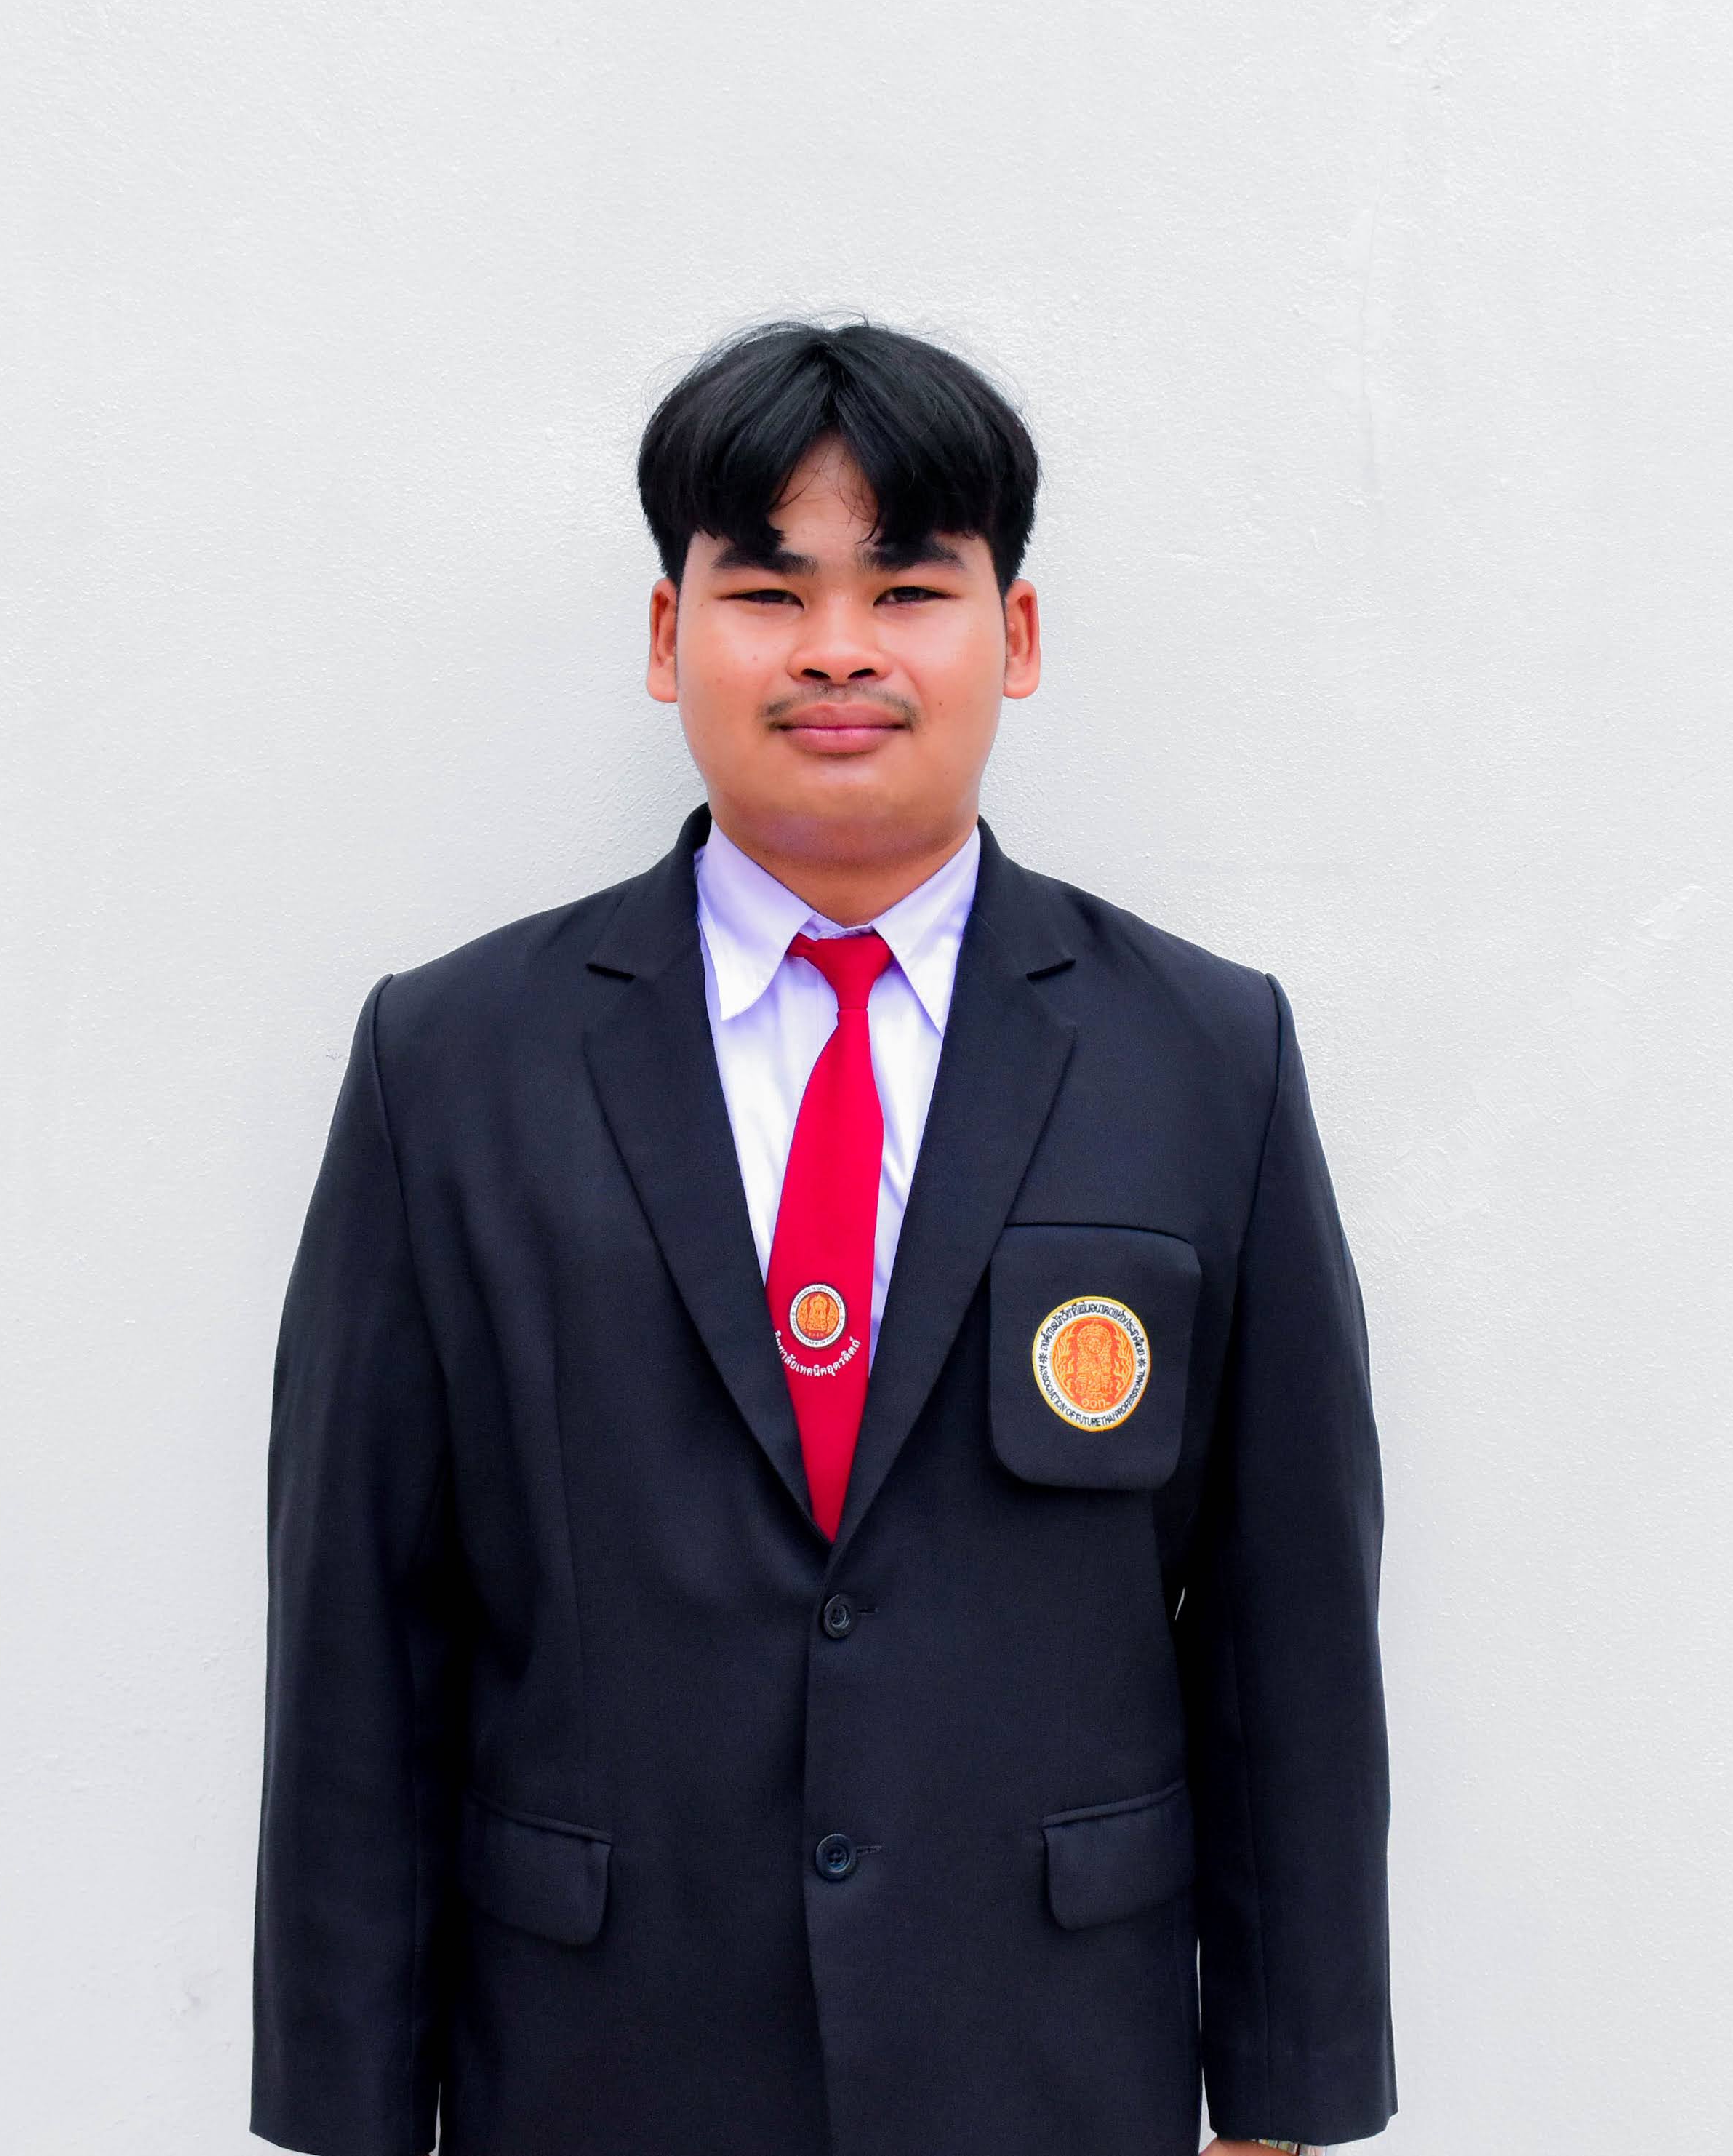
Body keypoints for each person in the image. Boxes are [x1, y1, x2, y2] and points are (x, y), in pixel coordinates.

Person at [253, 321, 1393, 2156]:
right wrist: (346, 2114)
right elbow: (359, 1637)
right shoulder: (450, 1065)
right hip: (596, 2065)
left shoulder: (1202, 1057)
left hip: (1047, 2064)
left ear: (1015, 635)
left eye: (909, 589)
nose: (839, 648)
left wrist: (1286, 2098)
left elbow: (1287, 1627)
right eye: (770, 591)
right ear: (667, 636)